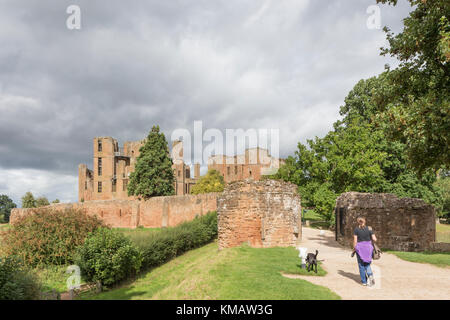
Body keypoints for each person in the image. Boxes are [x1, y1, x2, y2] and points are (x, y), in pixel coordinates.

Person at [352, 216, 377, 286]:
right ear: (364, 221)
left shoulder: (356, 229)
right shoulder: (369, 228)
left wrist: (354, 248)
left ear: (358, 222)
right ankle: (370, 275)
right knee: (367, 263)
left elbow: (355, 241)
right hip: (368, 247)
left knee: (361, 265)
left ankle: (364, 281)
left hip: (360, 248)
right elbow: (374, 239)